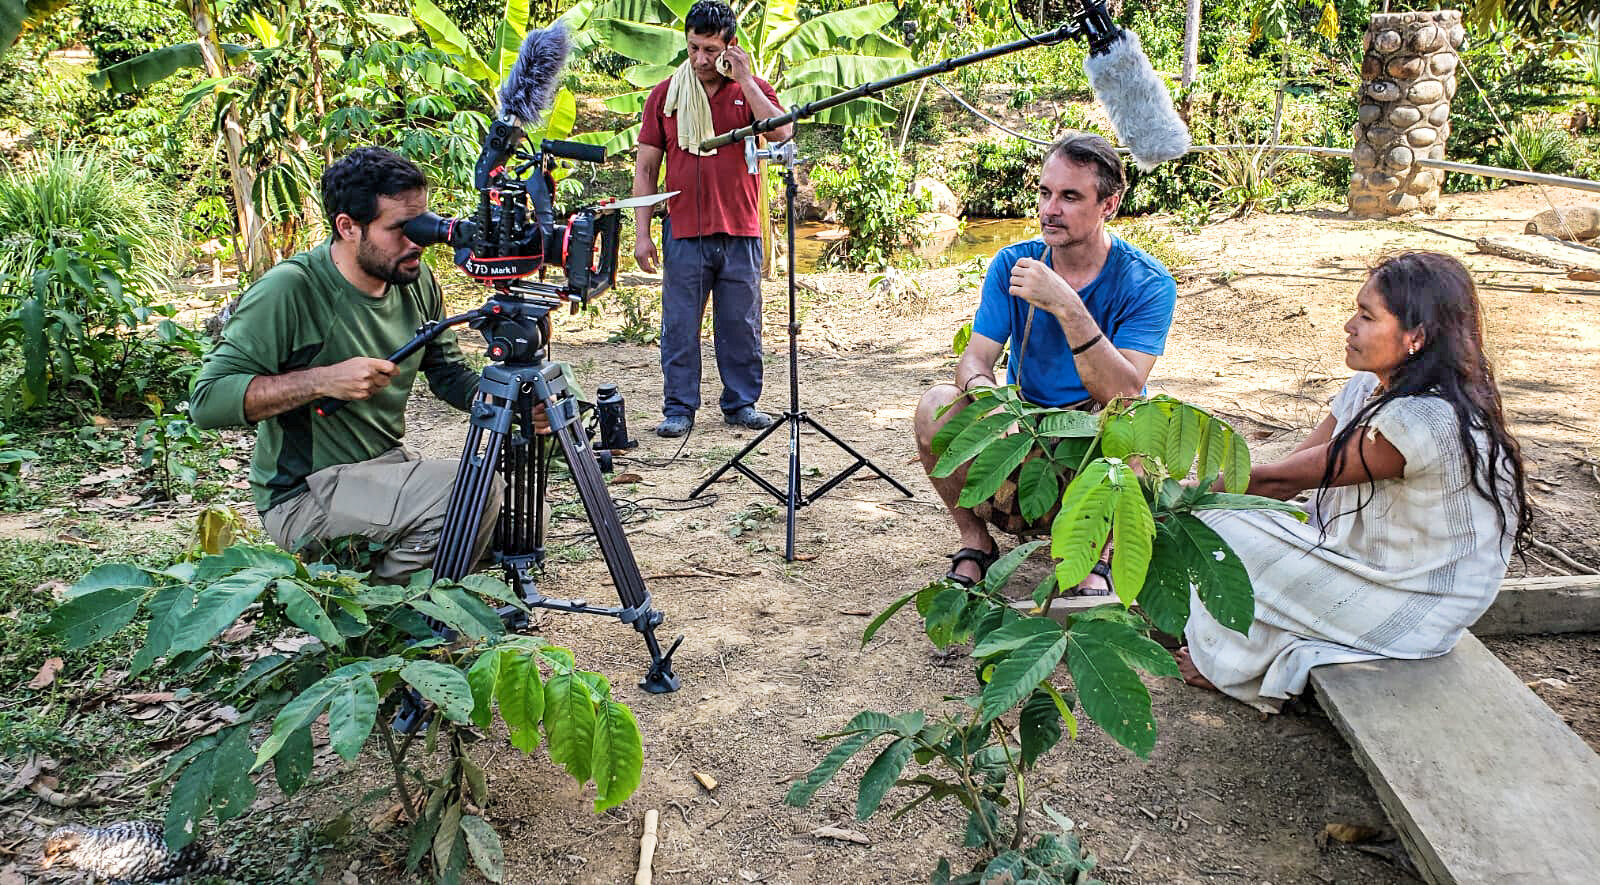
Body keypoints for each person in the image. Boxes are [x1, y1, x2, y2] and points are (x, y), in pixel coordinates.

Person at [1178, 251, 1532, 713]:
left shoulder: (1424, 421)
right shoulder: (1370, 388)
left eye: (1367, 316)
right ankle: (1237, 646)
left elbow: (1280, 479)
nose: (1349, 325)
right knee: (1235, 521)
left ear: (1416, 336)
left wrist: (1174, 500)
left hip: (1414, 599)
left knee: (1214, 524)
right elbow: (1289, 474)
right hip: (1366, 560)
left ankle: (1226, 661)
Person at [190, 147, 500, 583]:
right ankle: (394, 623)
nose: (417, 243)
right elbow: (206, 402)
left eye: (422, 225)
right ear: (348, 227)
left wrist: (514, 399)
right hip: (303, 494)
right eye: (400, 229)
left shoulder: (412, 277)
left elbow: (448, 373)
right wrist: (321, 380)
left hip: (383, 469)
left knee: (517, 520)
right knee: (474, 492)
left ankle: (376, 589)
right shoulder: (290, 289)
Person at [912, 132, 1178, 588]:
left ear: (1108, 205)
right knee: (935, 404)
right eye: (1044, 192)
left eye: (1070, 196)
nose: (1049, 209)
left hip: (1095, 435)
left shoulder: (1147, 283)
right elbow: (976, 357)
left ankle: (1101, 554)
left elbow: (1123, 391)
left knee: (1139, 425)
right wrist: (986, 394)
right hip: (1023, 422)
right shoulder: (1011, 264)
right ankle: (976, 541)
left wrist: (1067, 304)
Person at [632, 0, 794, 438]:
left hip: (741, 228)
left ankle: (741, 404)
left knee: (741, 324)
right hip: (684, 230)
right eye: (693, 49)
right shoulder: (665, 95)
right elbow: (646, 168)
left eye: (710, 50)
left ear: (730, 47)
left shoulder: (750, 88)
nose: (701, 60)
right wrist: (642, 233)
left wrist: (743, 77)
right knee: (680, 325)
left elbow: (781, 131)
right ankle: (679, 408)